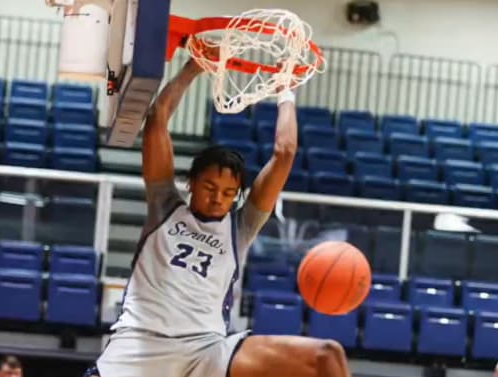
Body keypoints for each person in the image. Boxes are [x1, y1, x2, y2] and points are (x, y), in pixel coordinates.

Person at [88, 50, 352, 377]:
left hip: (206, 349)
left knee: (328, 355)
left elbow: (284, 153)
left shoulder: (240, 227)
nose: (218, 199)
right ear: (191, 183)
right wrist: (193, 67)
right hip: (140, 345)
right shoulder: (164, 206)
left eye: (228, 193)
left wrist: (286, 89)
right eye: (210, 188)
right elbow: (157, 118)